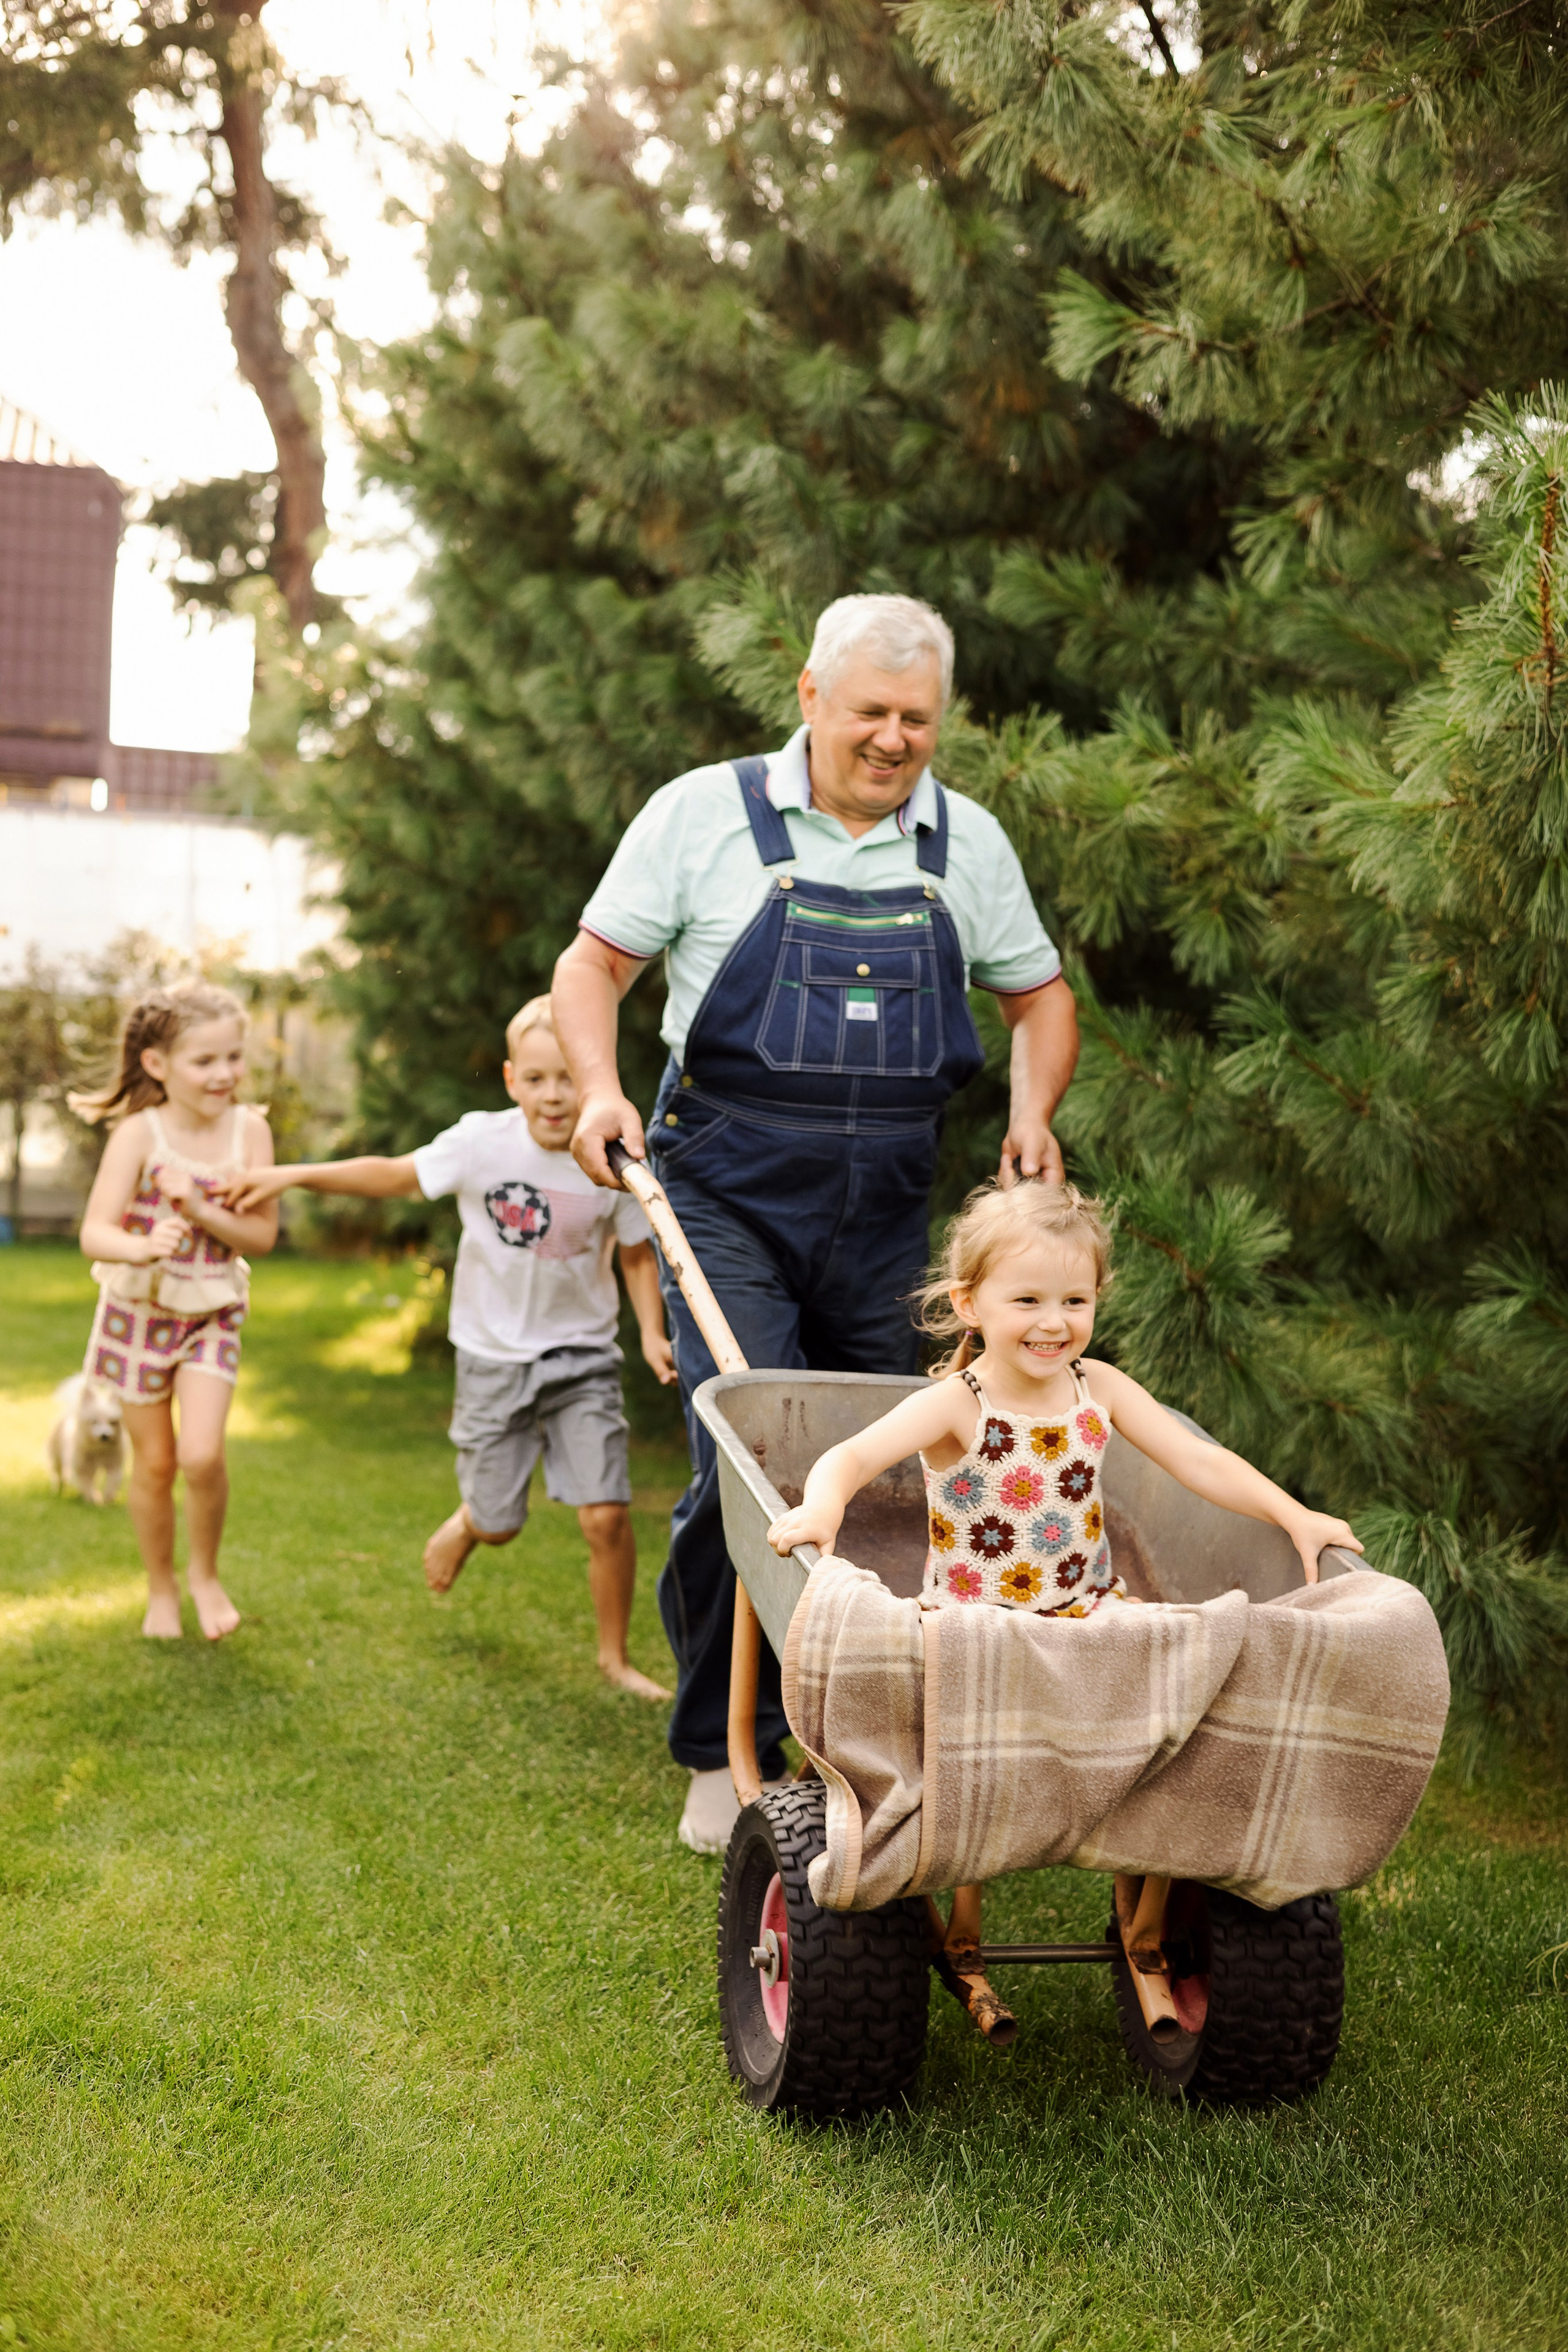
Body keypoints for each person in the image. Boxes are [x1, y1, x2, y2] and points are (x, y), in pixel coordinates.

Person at [553, 591, 1079, 1852]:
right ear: (806, 697)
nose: (893, 741)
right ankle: (710, 1745)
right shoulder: (701, 814)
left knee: (878, 1473)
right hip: (724, 1187)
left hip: (890, 1204)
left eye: (917, 719)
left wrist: (1030, 1109)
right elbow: (592, 968)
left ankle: (842, 1729)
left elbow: (1038, 995)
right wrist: (600, 1089)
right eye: (869, 714)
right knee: (747, 1456)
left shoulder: (967, 845)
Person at [766, 1178, 1363, 2045]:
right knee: (958, 1749)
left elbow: (1201, 1464)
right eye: (1029, 1300)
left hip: (1085, 1609)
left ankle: (1162, 1874)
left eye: (1074, 1299)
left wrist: (1294, 1515)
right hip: (977, 1627)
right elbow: (850, 1457)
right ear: (970, 1303)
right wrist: (824, 1512)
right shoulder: (958, 1404)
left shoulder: (1101, 1389)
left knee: (1187, 1676)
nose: (1055, 1321)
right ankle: (953, 1896)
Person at [224, 997, 677, 1700]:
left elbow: (636, 1254)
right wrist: (290, 1175)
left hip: (581, 1357)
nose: (553, 1095)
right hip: (492, 1358)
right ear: (509, 1080)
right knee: (500, 1524)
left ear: (591, 1079)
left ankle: (614, 1658)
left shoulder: (611, 1156)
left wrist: (650, 1330)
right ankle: (472, 1523)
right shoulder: (480, 1144)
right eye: (535, 1079)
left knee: (606, 1513)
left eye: (567, 1078)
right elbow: (394, 1175)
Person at [75, 979, 279, 1641]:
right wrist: (140, 1245)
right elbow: (94, 1233)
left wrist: (197, 1209)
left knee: (200, 1455)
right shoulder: (139, 1134)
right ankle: (160, 1587)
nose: (225, 1074)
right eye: (205, 1061)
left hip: (211, 1309)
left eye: (233, 1058)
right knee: (156, 1463)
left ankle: (205, 1575)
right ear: (158, 1065)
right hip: (138, 1312)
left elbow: (262, 1238)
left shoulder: (250, 1131)